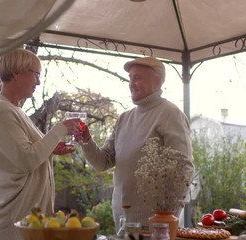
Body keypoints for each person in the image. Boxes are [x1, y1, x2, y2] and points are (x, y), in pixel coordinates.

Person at [78, 56, 195, 230]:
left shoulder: (170, 113)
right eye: (130, 78)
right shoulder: (124, 118)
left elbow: (184, 168)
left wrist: (166, 217)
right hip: (122, 220)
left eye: (137, 77)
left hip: (155, 224)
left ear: (157, 82)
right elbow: (102, 162)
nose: (131, 83)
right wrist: (86, 140)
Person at [0, 48, 82, 240]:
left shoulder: (14, 110)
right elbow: (27, 160)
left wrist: (51, 148)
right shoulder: (0, 110)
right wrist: (60, 129)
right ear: (17, 73)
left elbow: (25, 154)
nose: (38, 82)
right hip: (14, 221)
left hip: (28, 220)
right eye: (36, 75)